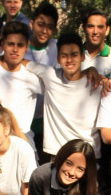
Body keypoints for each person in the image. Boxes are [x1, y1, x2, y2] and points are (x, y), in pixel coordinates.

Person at [31, 31, 104, 159]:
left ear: (82, 57)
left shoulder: (97, 84)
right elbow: (18, 61)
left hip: (89, 155)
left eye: (74, 55)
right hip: (57, 155)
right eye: (64, 56)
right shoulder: (50, 75)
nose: (69, 60)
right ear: (58, 59)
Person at [27, 139, 102, 195]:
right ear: (61, 159)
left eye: (80, 169)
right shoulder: (40, 176)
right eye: (68, 163)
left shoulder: (88, 184)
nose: (71, 172)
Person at [81, 9, 111, 78]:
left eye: (100, 27)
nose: (95, 32)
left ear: (107, 30)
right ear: (84, 28)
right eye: (91, 26)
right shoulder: (72, 55)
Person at [25, 1, 60, 68]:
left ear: (54, 30)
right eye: (41, 25)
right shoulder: (18, 48)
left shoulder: (58, 47)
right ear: (31, 24)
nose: (44, 31)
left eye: (50, 27)